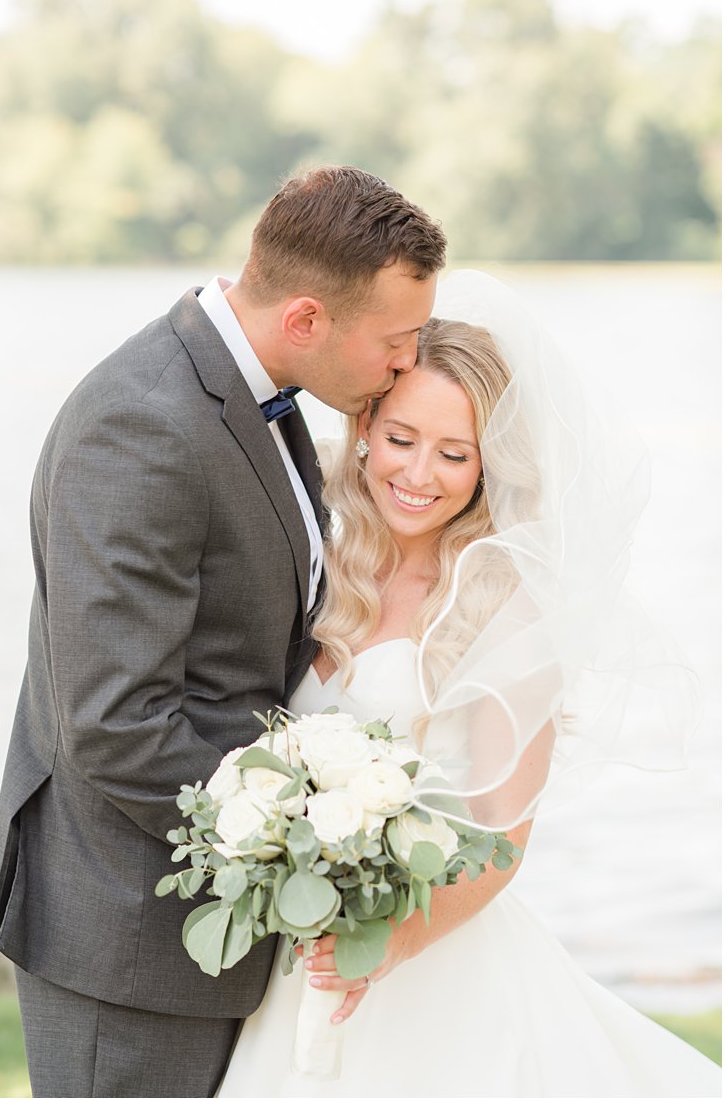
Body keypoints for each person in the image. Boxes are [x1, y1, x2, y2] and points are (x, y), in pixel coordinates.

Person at [0, 164, 447, 1097]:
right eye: (397, 343)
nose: (407, 365)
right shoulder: (144, 424)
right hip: (127, 942)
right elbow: (116, 725)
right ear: (308, 319)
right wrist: (308, 843)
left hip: (214, 930)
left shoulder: (256, 397)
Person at [218, 276, 721, 1095]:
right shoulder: (327, 562)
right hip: (299, 951)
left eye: (455, 454)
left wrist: (386, 946)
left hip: (427, 968)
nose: (419, 474)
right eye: (402, 438)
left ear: (490, 468)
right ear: (367, 429)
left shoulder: (503, 611)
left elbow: (501, 842)